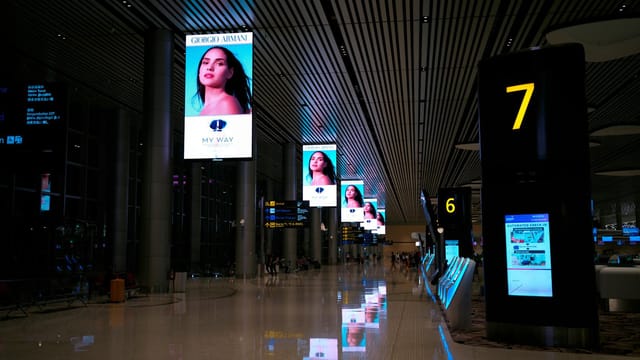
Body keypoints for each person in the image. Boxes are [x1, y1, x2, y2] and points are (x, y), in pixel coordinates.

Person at [195, 46, 251, 115]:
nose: (209, 68)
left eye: (220, 63)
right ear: (199, 71)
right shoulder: (205, 110)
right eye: (206, 62)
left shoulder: (227, 103)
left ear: (230, 73)